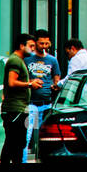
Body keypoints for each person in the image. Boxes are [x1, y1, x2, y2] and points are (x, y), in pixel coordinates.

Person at [0, 34, 42, 163]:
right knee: (14, 143)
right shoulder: (15, 60)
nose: (34, 49)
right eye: (31, 46)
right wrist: (30, 84)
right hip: (15, 109)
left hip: (20, 108)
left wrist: (31, 82)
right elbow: (12, 82)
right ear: (21, 46)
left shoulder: (19, 60)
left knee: (18, 143)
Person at [24, 29, 61, 161]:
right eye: (41, 43)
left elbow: (56, 76)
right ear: (35, 43)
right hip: (31, 104)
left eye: (46, 43)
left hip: (47, 105)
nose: (44, 46)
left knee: (43, 137)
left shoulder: (52, 60)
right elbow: (21, 79)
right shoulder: (27, 59)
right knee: (27, 135)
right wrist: (30, 82)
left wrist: (55, 84)